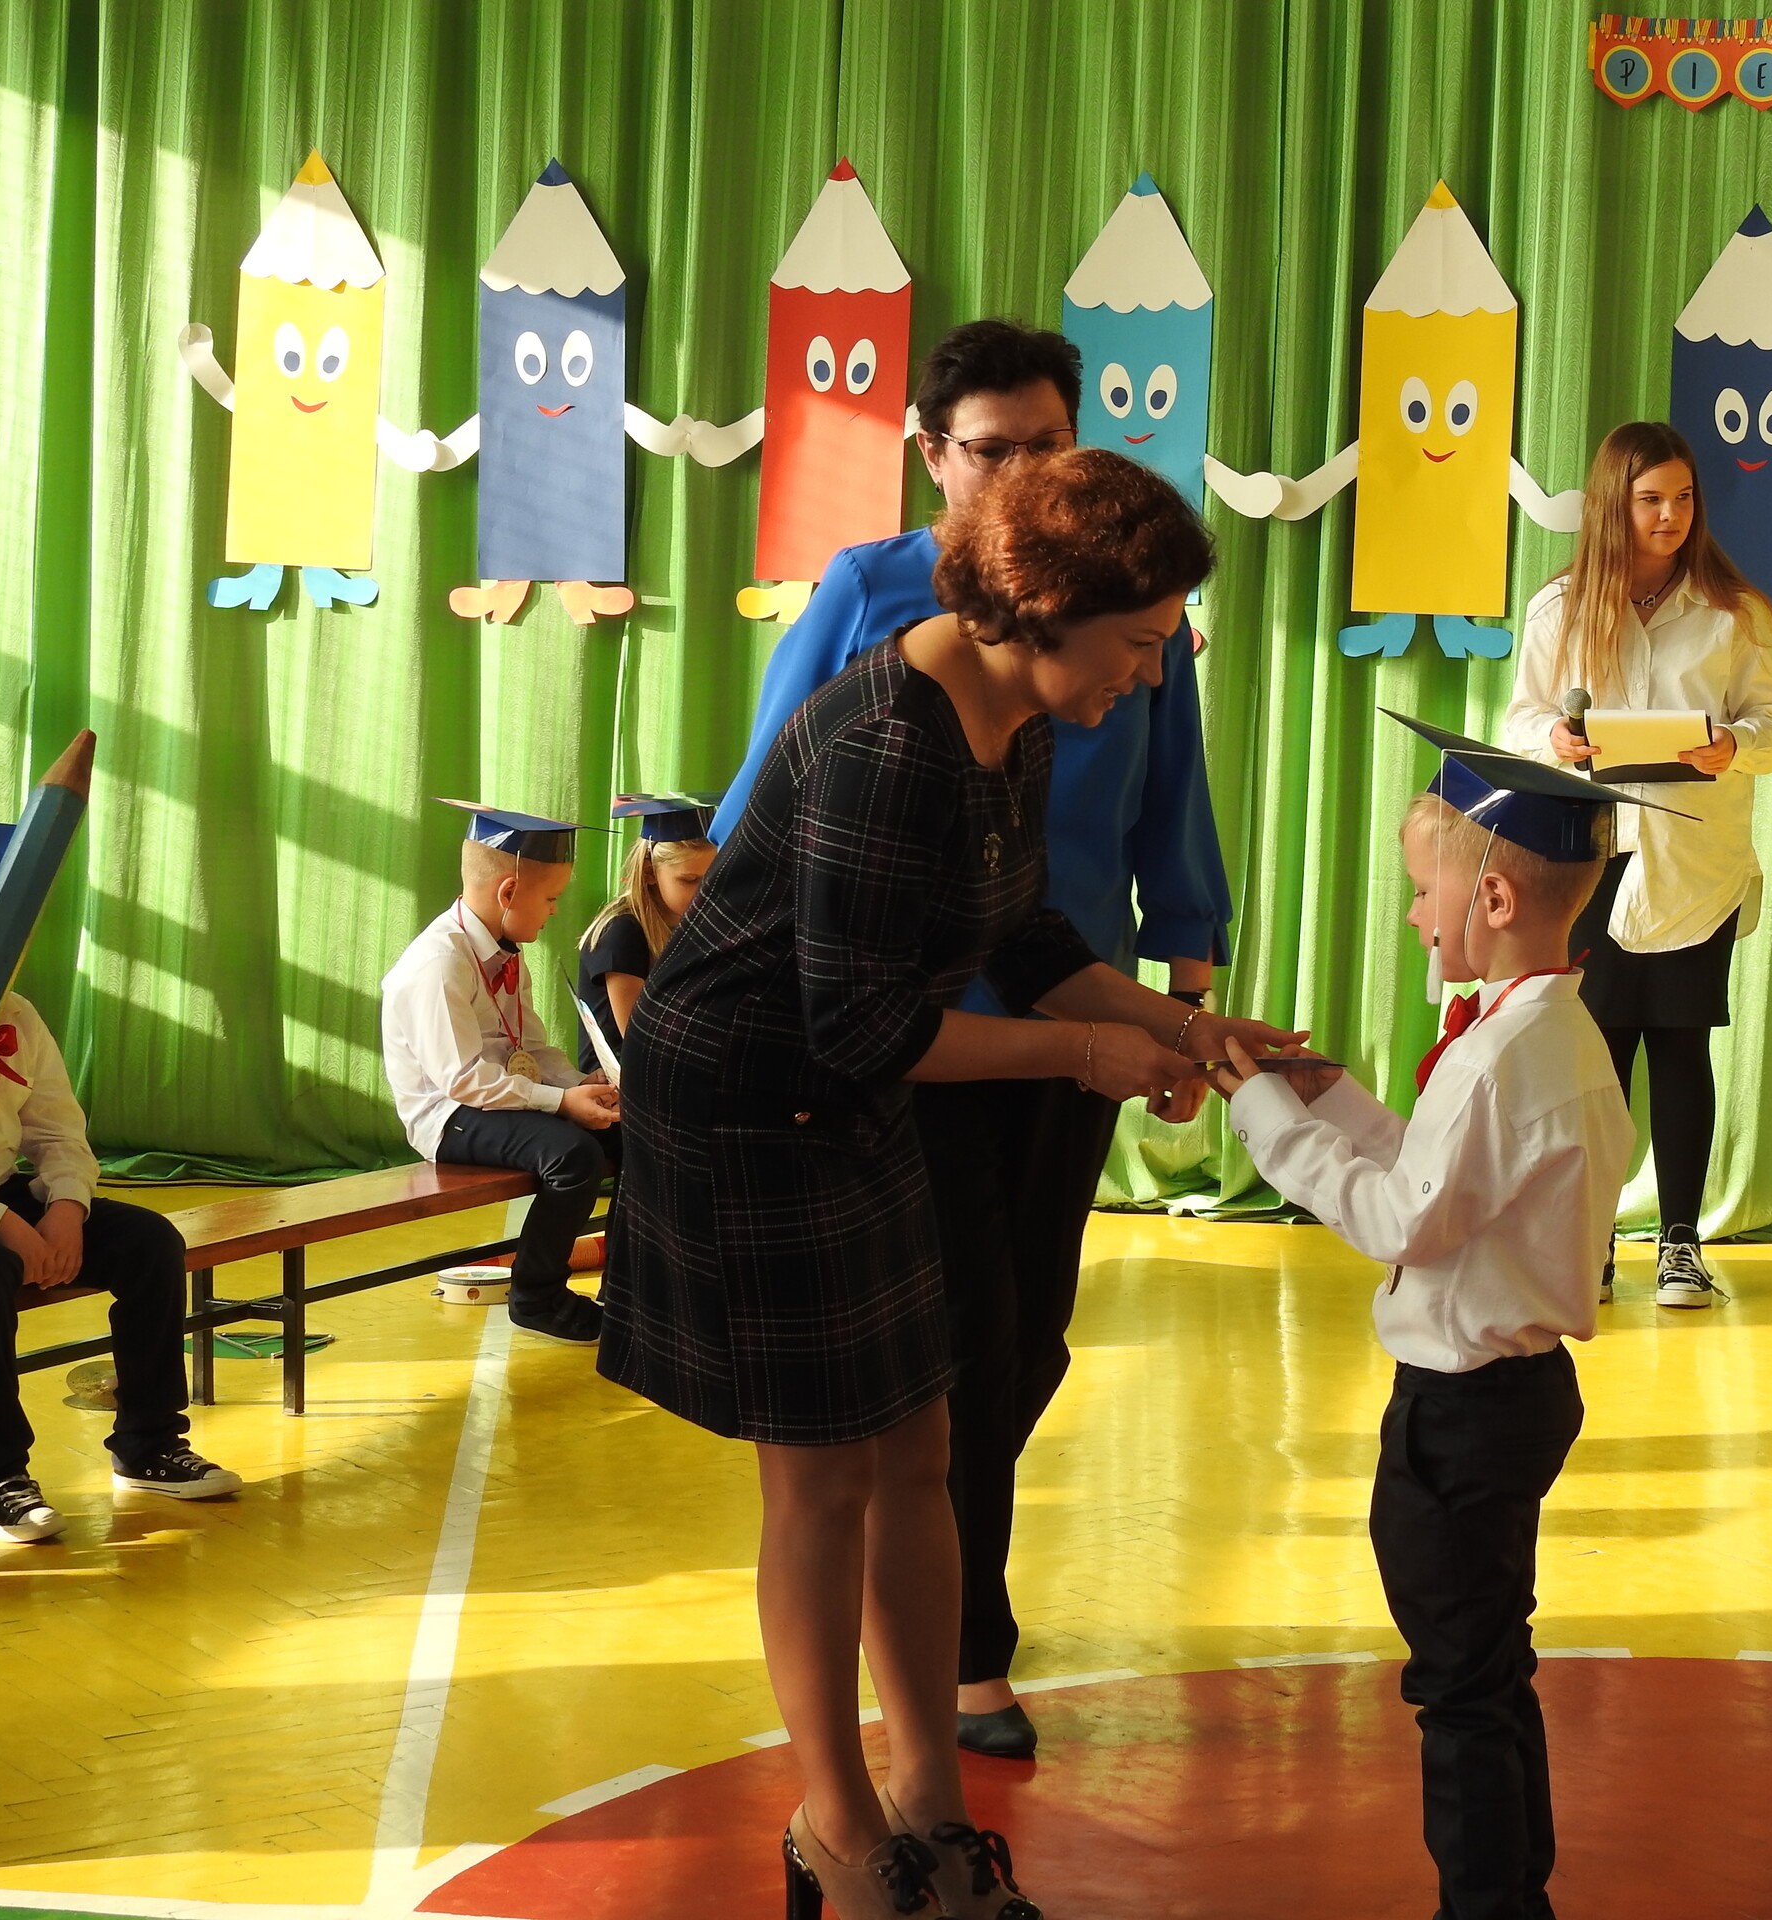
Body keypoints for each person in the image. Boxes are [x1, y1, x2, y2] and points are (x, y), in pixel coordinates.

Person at [601, 450, 1289, 1920]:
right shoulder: (885, 743)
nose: (1151, 674)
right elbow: (866, 1024)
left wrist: (1187, 1029)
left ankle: (931, 1801)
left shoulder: (1014, 722)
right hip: (742, 1108)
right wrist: (1087, 1054)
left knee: (922, 1445)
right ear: (1041, 611)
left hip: (840, 1093)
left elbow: (1024, 934)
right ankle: (837, 1828)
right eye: (1138, 643)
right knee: (823, 1476)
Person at [712, 318, 1233, 1757]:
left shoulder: (1093, 652)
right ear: (932, 456)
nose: (1024, 477)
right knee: (935, 1380)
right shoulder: (891, 661)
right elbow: (776, 824)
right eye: (994, 452)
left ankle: (923, 1689)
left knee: (1018, 1348)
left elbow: (1126, 833)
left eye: (1049, 448)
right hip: (892, 1047)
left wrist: (1179, 1005)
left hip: (1059, 1002)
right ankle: (943, 1678)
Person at [1209, 721, 1644, 1920]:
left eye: (1421, 892)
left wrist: (1263, 1115)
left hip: (1461, 1414)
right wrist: (1334, 1102)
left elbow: (1404, 1219)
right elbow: (1447, 1180)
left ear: (1491, 899)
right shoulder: (1544, 1035)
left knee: (1457, 1687)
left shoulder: (1500, 1057)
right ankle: (1512, 1898)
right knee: (1489, 1671)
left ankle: (1486, 1905)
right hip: (1509, 1398)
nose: (1413, 915)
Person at [1503, 421, 1772, 1307]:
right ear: (1611, 504)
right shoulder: (1559, 610)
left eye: (1683, 498)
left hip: (1693, 862)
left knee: (1679, 1045)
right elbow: (1521, 719)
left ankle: (1679, 1245)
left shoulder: (1732, 613)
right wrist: (1553, 739)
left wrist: (1732, 745)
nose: (1670, 516)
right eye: (1650, 499)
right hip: (1588, 861)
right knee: (1592, 1054)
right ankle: (1588, 1237)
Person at [0, 821, 240, 1543]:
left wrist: (64, 1207)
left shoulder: (15, 1015)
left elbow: (58, 1130)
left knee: (149, 1241)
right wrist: (7, 1226)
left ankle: (149, 1443)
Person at [381, 803, 620, 1344]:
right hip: (450, 1116)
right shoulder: (439, 963)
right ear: (508, 892)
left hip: (498, 1098)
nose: (555, 911)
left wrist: (576, 1085)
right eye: (552, 898)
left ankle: (624, 1285)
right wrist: (561, 1104)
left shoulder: (506, 950)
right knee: (573, 1156)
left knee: (624, 1133)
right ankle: (537, 1297)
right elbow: (464, 1080)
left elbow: (530, 1046)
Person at [575, 793, 718, 1070]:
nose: (704, 893)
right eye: (689, 880)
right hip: (620, 1084)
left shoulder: (693, 924)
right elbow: (641, 1041)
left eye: (712, 878)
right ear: (650, 872)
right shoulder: (620, 932)